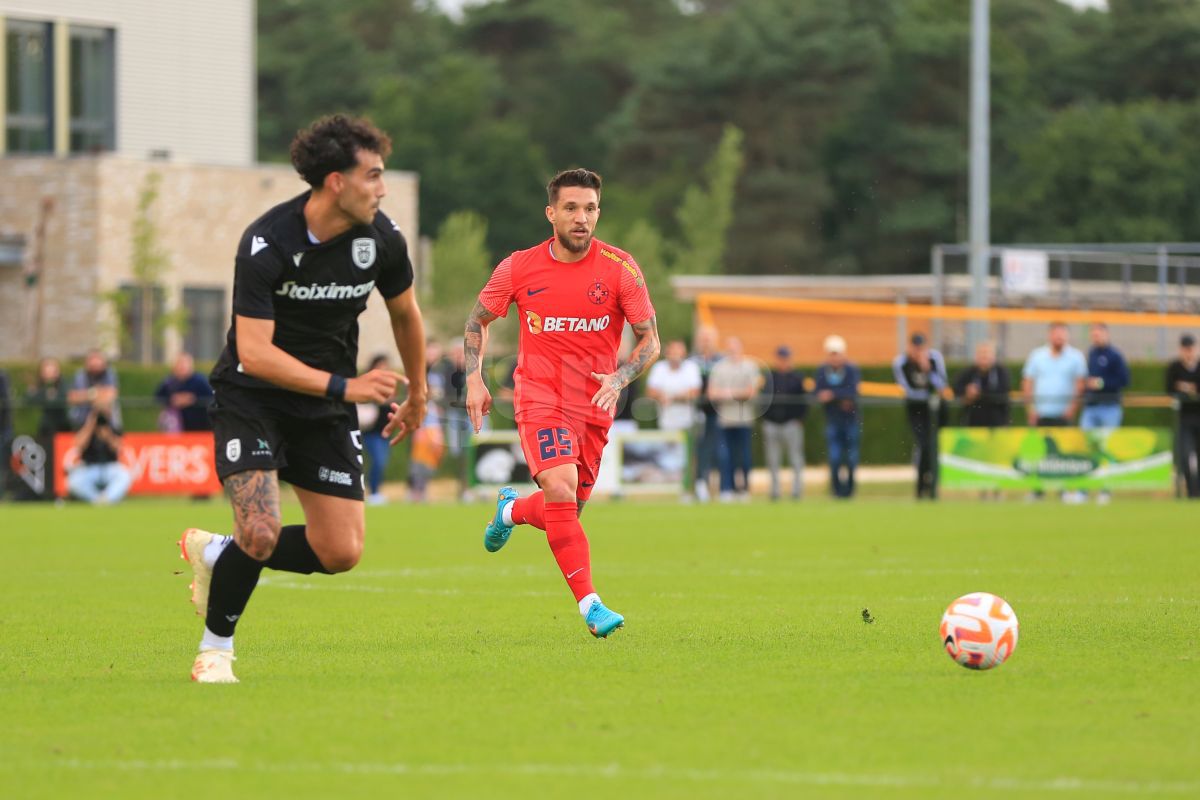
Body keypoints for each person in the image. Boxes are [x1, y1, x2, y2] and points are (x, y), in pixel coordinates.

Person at [177, 114, 427, 683]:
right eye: (373, 175)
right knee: (262, 531)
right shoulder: (267, 242)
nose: (382, 188)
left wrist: (419, 392)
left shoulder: (381, 239)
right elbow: (256, 352)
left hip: (323, 408)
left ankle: (220, 554)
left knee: (340, 552)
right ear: (335, 181)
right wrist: (349, 386)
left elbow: (406, 314)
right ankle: (215, 651)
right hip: (252, 397)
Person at [464, 167, 659, 639]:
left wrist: (621, 374)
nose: (581, 217)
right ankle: (592, 606)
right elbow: (477, 321)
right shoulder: (518, 267)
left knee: (565, 507)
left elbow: (649, 340)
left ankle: (511, 510)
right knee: (560, 485)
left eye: (590, 208)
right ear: (551, 213)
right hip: (539, 396)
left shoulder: (620, 268)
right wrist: (473, 379)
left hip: (594, 404)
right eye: (571, 208)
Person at [893, 333, 949, 500]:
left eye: (921, 347)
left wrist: (927, 370)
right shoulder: (901, 362)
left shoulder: (934, 358)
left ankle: (930, 485)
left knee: (933, 446)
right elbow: (907, 391)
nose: (918, 351)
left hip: (935, 409)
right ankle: (921, 486)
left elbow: (942, 386)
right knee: (923, 444)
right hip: (916, 409)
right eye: (915, 347)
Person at [707, 336, 762, 502]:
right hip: (725, 420)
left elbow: (751, 392)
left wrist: (728, 393)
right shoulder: (720, 368)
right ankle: (726, 489)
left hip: (744, 419)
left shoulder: (750, 366)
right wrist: (738, 393)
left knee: (744, 456)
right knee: (726, 457)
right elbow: (712, 393)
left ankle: (744, 489)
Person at [814, 335, 861, 499]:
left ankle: (849, 491)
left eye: (837, 354)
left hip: (850, 421)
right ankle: (837, 491)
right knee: (834, 458)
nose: (834, 358)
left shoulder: (851, 370)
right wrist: (839, 396)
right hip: (832, 421)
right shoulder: (822, 371)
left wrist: (833, 394)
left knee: (851, 458)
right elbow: (817, 392)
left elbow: (852, 391)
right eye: (831, 354)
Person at [65, 397, 132, 505]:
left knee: (125, 476)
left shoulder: (113, 426)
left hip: (110, 466)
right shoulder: (86, 425)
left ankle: (107, 498)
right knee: (73, 482)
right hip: (89, 467)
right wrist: (90, 425)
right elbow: (79, 445)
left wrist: (108, 436)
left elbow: (118, 448)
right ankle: (97, 499)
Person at [761, 344, 807, 501]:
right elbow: (764, 400)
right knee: (773, 460)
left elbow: (803, 401)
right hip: (772, 423)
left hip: (791, 423)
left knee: (795, 458)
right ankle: (775, 492)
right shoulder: (770, 377)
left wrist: (799, 420)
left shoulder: (797, 378)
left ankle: (797, 491)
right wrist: (765, 419)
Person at [1022, 322, 1087, 428]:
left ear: (1068, 335)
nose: (1059, 336)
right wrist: (1030, 409)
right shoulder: (1036, 355)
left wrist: (1072, 409)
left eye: (1062, 333)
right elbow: (1027, 383)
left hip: (1064, 415)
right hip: (1040, 414)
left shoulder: (1076, 357)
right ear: (1049, 335)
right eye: (1056, 333)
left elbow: (1080, 386)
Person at [357, 354, 396, 505]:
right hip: (371, 431)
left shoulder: (391, 384)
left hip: (385, 431)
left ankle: (376, 491)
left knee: (382, 462)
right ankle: (373, 492)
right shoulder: (368, 382)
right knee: (378, 461)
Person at [690, 325, 723, 501]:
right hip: (696, 412)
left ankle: (720, 486)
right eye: (703, 338)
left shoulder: (721, 360)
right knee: (698, 449)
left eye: (709, 338)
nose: (706, 342)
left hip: (718, 412)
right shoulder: (692, 361)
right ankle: (699, 483)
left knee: (717, 450)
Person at [1167, 333, 1200, 498]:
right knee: (1185, 455)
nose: (1189, 352)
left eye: (1191, 348)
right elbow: (1169, 388)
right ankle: (1192, 492)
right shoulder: (1174, 367)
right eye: (1185, 349)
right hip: (1183, 418)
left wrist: (1187, 387)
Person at [1081, 323, 1130, 430]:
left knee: (1106, 443)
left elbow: (1124, 380)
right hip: (1092, 405)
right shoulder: (1092, 353)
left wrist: (1101, 383)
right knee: (1087, 440)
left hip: (1109, 406)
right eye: (1093, 336)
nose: (1096, 338)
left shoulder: (1115, 355)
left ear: (1106, 334)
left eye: (1098, 335)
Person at [953, 342, 1010, 428]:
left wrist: (978, 393)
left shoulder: (1001, 373)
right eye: (981, 355)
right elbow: (956, 387)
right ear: (976, 357)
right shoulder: (969, 372)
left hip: (997, 424)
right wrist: (966, 391)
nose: (984, 358)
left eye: (987, 355)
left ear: (993, 357)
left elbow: (1003, 391)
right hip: (972, 423)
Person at [154, 352, 215, 432]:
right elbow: (158, 398)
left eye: (184, 364)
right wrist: (173, 400)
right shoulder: (169, 382)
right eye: (179, 364)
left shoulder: (200, 381)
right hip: (177, 428)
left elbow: (211, 398)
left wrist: (193, 399)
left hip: (201, 426)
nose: (182, 367)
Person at [68, 349, 122, 430]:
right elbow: (72, 397)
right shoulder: (80, 375)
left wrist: (86, 396)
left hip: (107, 421)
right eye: (92, 360)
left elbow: (111, 395)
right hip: (82, 421)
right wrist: (95, 394)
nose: (95, 363)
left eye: (98, 359)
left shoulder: (110, 374)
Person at [26, 357, 75, 440]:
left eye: (53, 371)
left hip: (63, 428)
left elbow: (67, 397)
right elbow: (29, 399)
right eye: (47, 371)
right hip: (44, 431)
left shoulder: (64, 385)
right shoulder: (38, 387)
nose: (50, 375)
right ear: (42, 373)